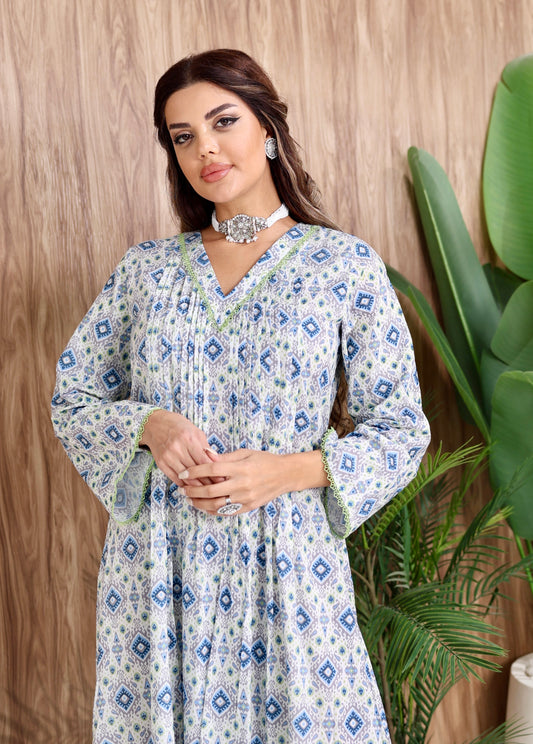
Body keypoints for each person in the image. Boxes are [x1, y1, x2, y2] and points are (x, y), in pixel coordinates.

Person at [52, 48, 430, 744]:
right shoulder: (146, 272)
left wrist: (283, 473)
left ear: (268, 128)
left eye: (222, 121)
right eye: (183, 136)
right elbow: (73, 397)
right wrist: (149, 425)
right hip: (158, 572)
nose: (205, 148)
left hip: (287, 564)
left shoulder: (342, 265)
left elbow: (402, 429)